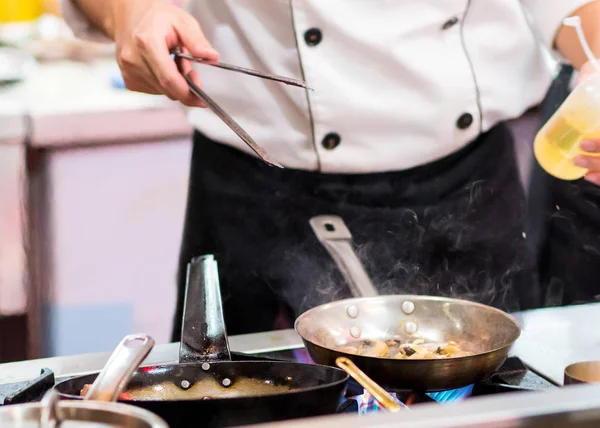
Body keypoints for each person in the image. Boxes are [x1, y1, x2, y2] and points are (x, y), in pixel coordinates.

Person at [61, 0, 600, 340]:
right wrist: (133, 14)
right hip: (250, 184)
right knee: (230, 398)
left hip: (462, 185)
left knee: (482, 404)